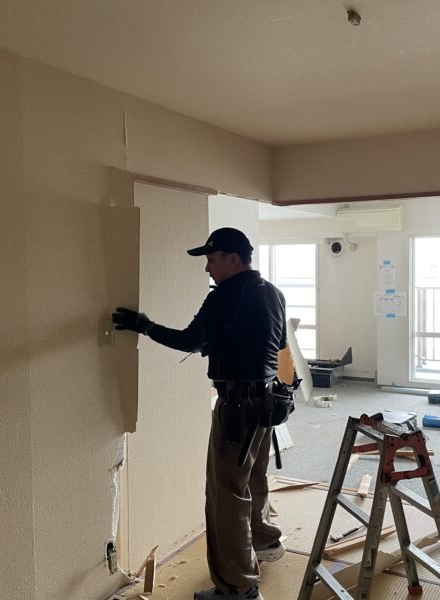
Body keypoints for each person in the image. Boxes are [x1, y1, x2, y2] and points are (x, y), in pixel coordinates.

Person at [112, 227, 287, 600]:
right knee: (253, 478)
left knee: (227, 494)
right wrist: (227, 343)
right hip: (267, 403)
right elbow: (276, 342)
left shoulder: (223, 296)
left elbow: (188, 340)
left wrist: (144, 325)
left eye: (211, 259)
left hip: (237, 408)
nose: (208, 268)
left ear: (232, 259)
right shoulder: (273, 292)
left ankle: (237, 586)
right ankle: (264, 540)